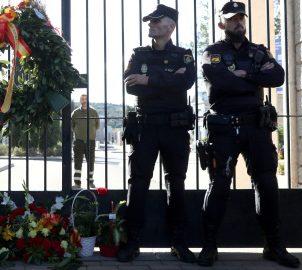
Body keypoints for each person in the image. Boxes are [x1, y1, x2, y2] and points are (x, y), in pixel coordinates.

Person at [198, 2, 300, 268]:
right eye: (232, 19)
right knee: (219, 184)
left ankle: (273, 244)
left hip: (256, 127)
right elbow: (217, 78)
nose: (238, 23)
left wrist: (243, 74)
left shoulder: (258, 51)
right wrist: (255, 76)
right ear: (221, 23)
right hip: (223, 128)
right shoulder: (212, 52)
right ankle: (209, 244)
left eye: (241, 18)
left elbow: (277, 76)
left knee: (266, 184)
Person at [117, 4, 196, 263]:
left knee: (176, 183)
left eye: (155, 20)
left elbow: (186, 82)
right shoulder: (138, 54)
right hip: (146, 128)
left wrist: (149, 79)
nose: (150, 24)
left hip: (175, 128)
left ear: (170, 26)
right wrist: (168, 78)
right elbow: (131, 86)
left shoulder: (184, 55)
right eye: (149, 20)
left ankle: (179, 241)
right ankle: (133, 241)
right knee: (138, 183)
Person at [71, 94, 100, 189]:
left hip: (90, 142)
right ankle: (77, 183)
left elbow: (97, 126)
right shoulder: (75, 113)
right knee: (77, 162)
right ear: (80, 101)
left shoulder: (94, 112)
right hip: (78, 142)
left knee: (90, 162)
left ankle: (90, 182)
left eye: (86, 99)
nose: (84, 101)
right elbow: (72, 126)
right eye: (82, 99)